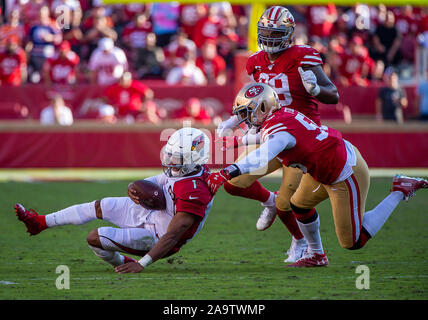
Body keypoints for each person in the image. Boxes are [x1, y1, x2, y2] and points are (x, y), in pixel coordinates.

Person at [207, 82, 428, 267]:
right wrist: (236, 141)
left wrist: (226, 172)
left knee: (353, 241)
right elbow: (267, 137)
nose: (244, 119)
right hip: (321, 167)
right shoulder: (280, 115)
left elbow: (262, 155)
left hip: (344, 172)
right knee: (299, 206)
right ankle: (317, 255)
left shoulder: (279, 130)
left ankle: (400, 190)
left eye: (247, 113)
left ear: (264, 108)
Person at [216, 6, 339, 263]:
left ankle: (301, 240)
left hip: (300, 138)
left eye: (276, 32)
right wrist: (234, 119)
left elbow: (333, 95)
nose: (270, 36)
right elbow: (256, 100)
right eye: (266, 31)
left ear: (289, 33)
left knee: (288, 204)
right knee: (233, 183)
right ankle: (268, 201)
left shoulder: (304, 56)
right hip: (271, 133)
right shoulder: (255, 62)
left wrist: (316, 90)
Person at [14, 128, 214, 274]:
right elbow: (160, 180)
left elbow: (172, 236)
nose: (170, 161)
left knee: (95, 238)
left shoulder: (195, 191)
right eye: (169, 155)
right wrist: (136, 186)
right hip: (155, 213)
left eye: (176, 158)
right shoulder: (188, 170)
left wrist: (141, 263)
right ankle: (40, 222)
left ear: (194, 159)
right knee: (101, 205)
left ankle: (121, 261)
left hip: (157, 235)